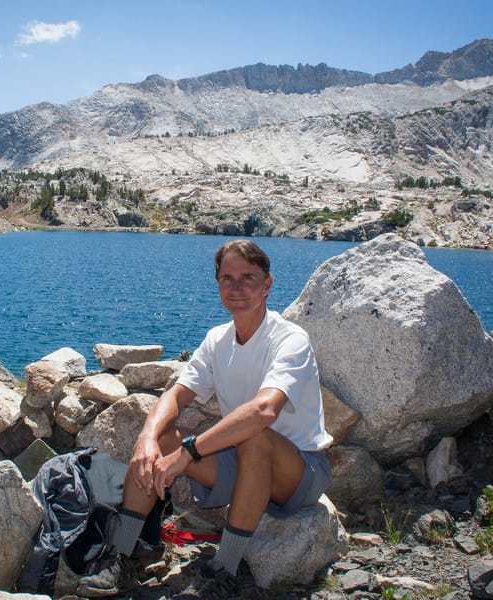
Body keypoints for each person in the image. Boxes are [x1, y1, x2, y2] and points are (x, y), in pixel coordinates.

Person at [77, 239, 333, 598]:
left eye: (248, 277)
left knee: (254, 437)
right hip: (243, 464)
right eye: (227, 278)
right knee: (159, 434)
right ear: (217, 284)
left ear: (267, 284)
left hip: (298, 472)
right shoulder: (218, 339)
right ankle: (122, 553)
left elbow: (264, 411)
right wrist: (148, 438)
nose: (237, 287)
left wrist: (188, 452)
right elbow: (175, 395)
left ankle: (224, 569)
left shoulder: (290, 339)